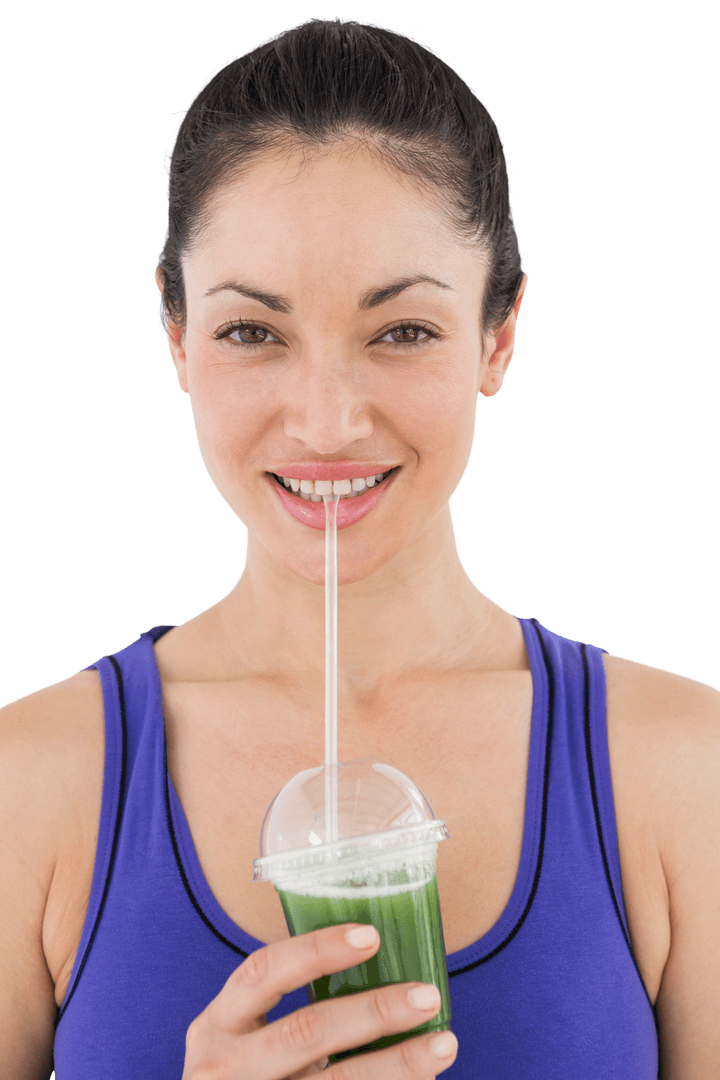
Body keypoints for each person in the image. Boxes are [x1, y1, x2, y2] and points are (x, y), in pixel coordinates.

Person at [2, 16, 718, 1079]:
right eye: (252, 330)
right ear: (175, 337)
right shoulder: (30, 787)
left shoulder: (684, 773)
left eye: (402, 330)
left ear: (498, 335)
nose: (328, 421)